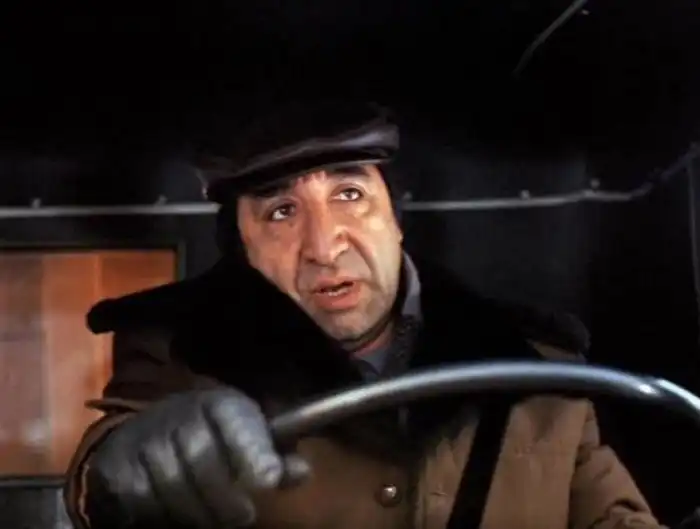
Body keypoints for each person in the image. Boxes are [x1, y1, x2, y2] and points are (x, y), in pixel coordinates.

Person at [63, 101, 668, 529]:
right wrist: (121, 468)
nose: (324, 247)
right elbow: (102, 475)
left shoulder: (539, 365)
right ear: (244, 250)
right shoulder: (181, 352)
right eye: (280, 212)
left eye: (349, 195)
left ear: (394, 220)